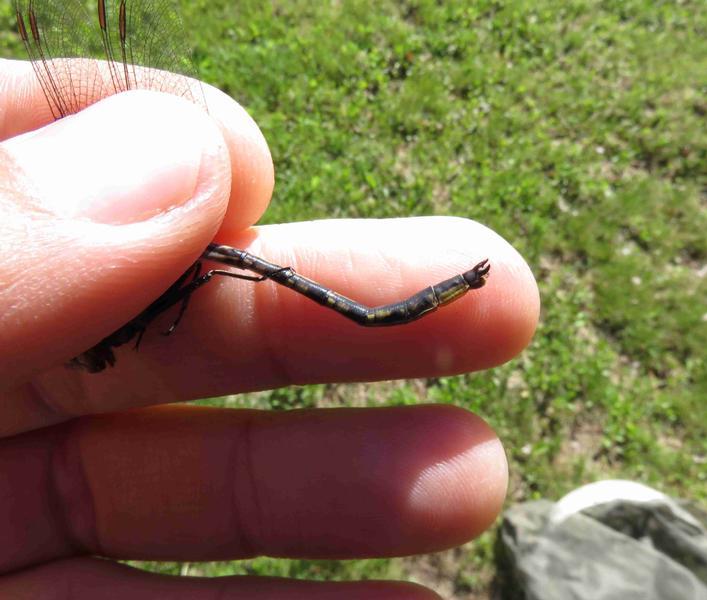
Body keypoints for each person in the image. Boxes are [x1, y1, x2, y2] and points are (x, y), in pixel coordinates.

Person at [0, 57, 539, 599]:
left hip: (186, 256)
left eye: (89, 357)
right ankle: (468, 280)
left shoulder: (109, 307)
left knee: (371, 317)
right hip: (194, 261)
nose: (91, 360)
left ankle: (468, 280)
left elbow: (151, 318)